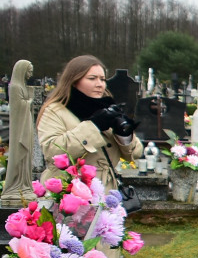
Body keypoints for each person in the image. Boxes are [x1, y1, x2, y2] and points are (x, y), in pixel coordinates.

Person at [37, 55, 142, 195]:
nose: (100, 84)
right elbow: (52, 152)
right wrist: (94, 126)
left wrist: (123, 134)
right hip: (70, 194)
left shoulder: (107, 108)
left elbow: (135, 154)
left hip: (106, 192)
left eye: (102, 79)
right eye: (92, 78)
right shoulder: (56, 111)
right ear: (74, 81)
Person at [1, 60, 36, 204]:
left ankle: (24, 185)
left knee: (26, 156)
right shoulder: (15, 87)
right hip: (19, 128)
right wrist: (30, 99)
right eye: (29, 71)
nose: (31, 74)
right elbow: (18, 106)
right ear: (22, 70)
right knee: (19, 153)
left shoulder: (21, 86)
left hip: (25, 124)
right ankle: (14, 186)